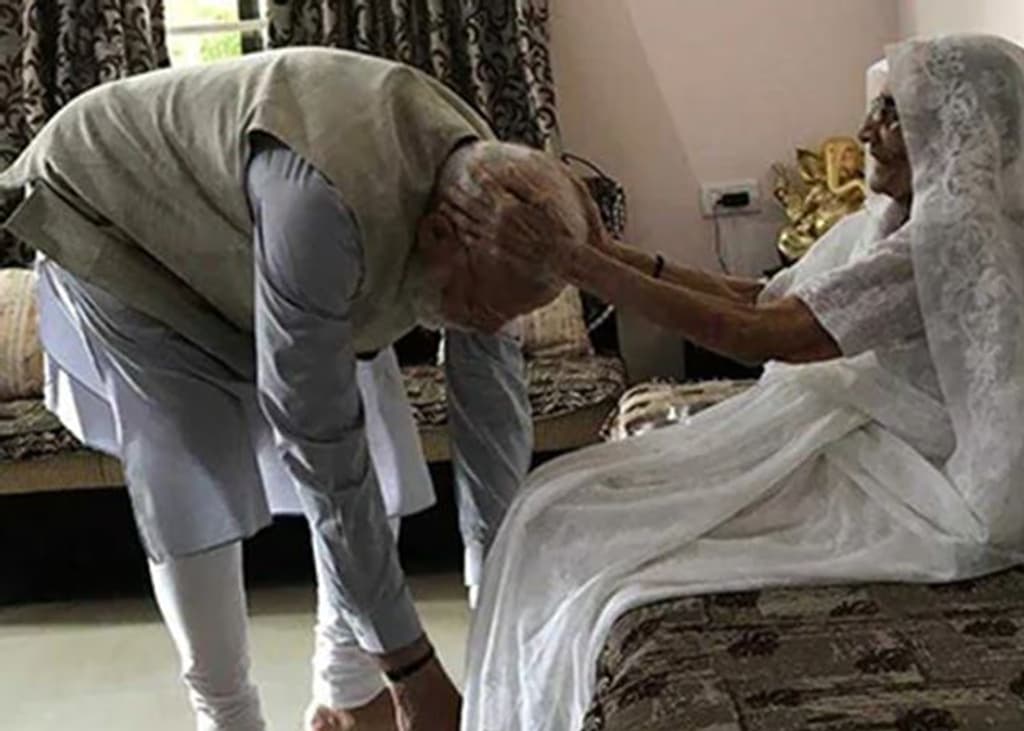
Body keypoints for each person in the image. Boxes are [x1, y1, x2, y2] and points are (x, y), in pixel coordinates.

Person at [453, 34, 1024, 730]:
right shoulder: (904, 224)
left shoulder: (950, 243)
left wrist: (581, 264)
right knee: (555, 507)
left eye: (892, 112)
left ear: (952, 126)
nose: (865, 131)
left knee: (567, 521)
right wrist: (612, 254)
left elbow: (768, 335)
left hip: (916, 482)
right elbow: (765, 298)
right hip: (868, 441)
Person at [0, 48, 587, 731]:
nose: (487, 323)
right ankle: (227, 715)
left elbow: (489, 411)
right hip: (117, 208)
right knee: (192, 466)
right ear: (436, 235)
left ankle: (346, 696)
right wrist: (413, 669)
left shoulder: (494, 203)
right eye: (479, 304)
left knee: (382, 446)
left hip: (258, 217)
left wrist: (497, 605)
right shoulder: (322, 211)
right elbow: (319, 444)